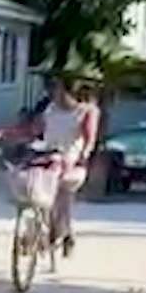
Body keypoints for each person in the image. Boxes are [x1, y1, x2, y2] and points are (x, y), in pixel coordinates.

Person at [39, 76, 100, 257]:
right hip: (48, 155)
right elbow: (38, 130)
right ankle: (47, 231)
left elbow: (89, 139)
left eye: (58, 91)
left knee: (63, 195)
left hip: (70, 159)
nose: (54, 95)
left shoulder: (85, 112)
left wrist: (84, 155)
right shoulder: (50, 109)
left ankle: (63, 233)